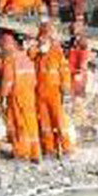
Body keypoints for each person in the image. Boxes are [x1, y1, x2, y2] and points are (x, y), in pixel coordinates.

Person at [34, 23, 72, 158]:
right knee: (45, 123)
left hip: (54, 92)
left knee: (59, 121)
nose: (41, 41)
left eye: (44, 38)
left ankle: (66, 147)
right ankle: (49, 148)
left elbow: (64, 71)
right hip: (40, 93)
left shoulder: (57, 53)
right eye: (40, 38)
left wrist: (66, 88)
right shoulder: (37, 56)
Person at [0, 33, 39, 162]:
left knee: (18, 124)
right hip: (29, 95)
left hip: (16, 96)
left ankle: (22, 153)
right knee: (31, 124)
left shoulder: (11, 60)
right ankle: (34, 153)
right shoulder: (27, 58)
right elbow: (34, 79)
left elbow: (8, 81)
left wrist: (2, 97)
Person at [68, 20, 90, 97]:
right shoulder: (73, 40)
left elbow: (83, 58)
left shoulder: (82, 41)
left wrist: (80, 70)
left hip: (77, 71)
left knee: (78, 91)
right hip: (72, 69)